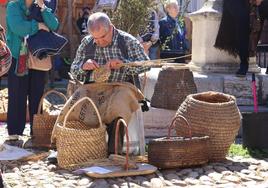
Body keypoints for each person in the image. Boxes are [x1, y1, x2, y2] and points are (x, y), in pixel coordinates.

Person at [71, 12, 150, 154]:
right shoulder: (87, 43)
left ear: (111, 28)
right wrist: (83, 66)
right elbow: (74, 70)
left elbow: (146, 65)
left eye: (102, 37)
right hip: (94, 87)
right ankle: (73, 148)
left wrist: (125, 64)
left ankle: (113, 151)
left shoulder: (127, 41)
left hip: (123, 86)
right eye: (96, 38)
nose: (99, 42)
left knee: (116, 105)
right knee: (75, 103)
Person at [6, 0, 59, 140]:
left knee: (37, 94)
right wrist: (39, 25)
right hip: (19, 56)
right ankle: (15, 132)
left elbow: (54, 25)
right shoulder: (14, 6)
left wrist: (43, 8)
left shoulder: (42, 5)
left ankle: (36, 131)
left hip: (38, 57)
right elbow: (18, 28)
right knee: (17, 94)